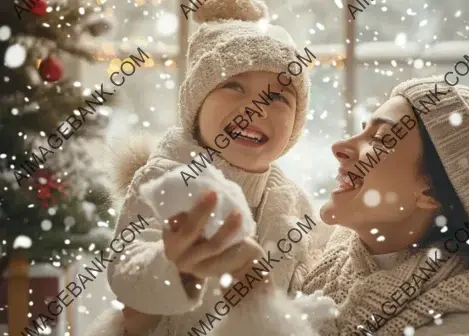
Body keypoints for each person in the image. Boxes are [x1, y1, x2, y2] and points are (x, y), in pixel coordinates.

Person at [206, 76, 469, 335]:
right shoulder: (316, 256)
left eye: (382, 139)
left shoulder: (467, 330)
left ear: (433, 194)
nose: (341, 147)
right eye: (361, 129)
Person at [85, 0, 334, 335]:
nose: (256, 108)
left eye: (278, 98)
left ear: (294, 125)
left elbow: (313, 280)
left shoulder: (292, 201)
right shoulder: (167, 179)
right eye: (233, 86)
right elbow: (128, 273)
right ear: (196, 105)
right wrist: (176, 264)